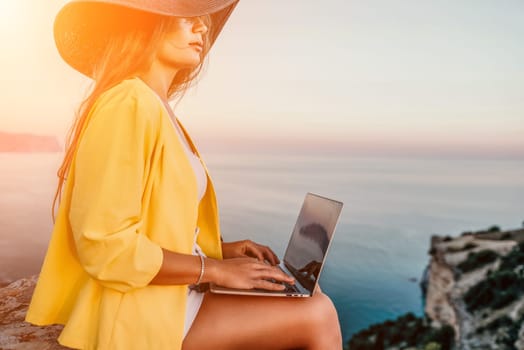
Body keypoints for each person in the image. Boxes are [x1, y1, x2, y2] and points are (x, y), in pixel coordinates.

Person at [26, 1, 343, 349]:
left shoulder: (155, 108)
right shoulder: (128, 104)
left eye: (201, 20)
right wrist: (215, 270)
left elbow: (155, 228)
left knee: (303, 293)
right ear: (146, 25)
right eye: (186, 20)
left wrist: (223, 252)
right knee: (318, 312)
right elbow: (105, 245)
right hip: (140, 315)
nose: (203, 28)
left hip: (170, 300)